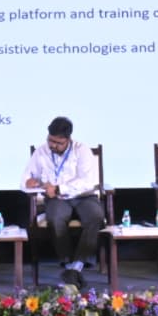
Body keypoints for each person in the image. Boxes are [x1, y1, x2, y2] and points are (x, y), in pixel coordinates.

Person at [20, 116, 103, 287]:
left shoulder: (82, 150)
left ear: (68, 139)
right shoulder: (41, 152)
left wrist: (59, 188)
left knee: (95, 216)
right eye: (50, 140)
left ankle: (76, 266)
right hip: (56, 199)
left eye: (58, 143)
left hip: (83, 196)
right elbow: (26, 179)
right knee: (56, 217)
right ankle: (68, 264)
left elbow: (87, 182)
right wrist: (31, 182)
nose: (53, 145)